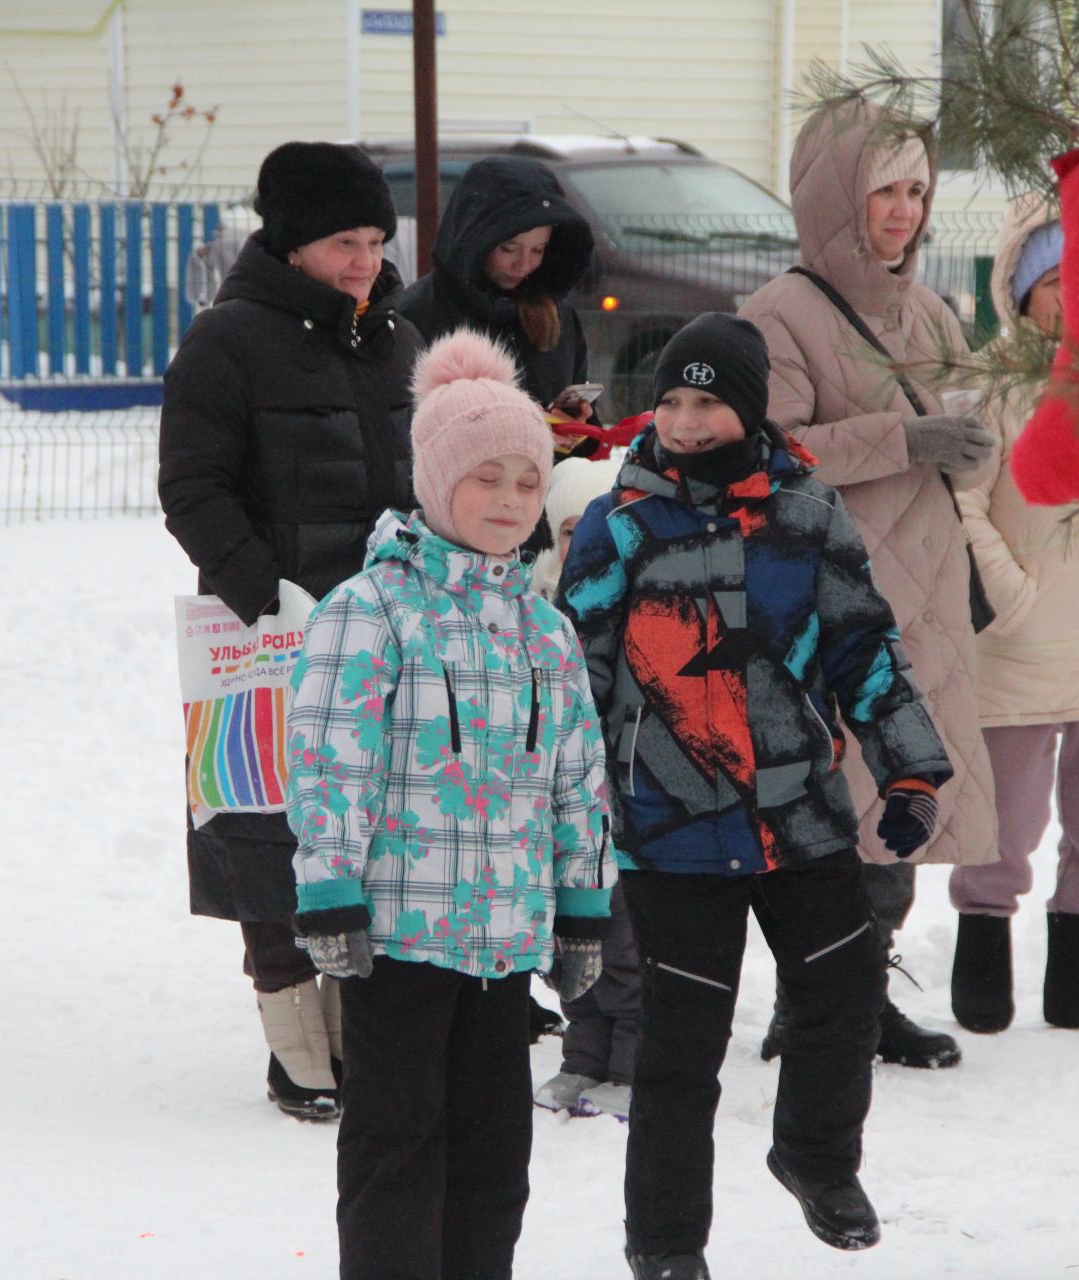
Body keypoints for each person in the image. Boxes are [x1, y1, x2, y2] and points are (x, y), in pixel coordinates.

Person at [559, 314, 952, 1279]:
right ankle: (664, 1243)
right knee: (680, 1050)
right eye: (674, 402)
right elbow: (574, 678)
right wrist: (574, 813)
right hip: (672, 825)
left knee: (844, 987)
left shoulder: (806, 513)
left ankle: (815, 1157)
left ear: (749, 406)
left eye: (709, 402)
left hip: (795, 811)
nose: (688, 423)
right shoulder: (619, 524)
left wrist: (908, 767)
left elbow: (864, 646)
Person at [286, 327, 615, 1280]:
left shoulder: (544, 629)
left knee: (493, 1164)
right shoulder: (370, 609)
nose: (512, 502)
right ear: (434, 484)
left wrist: (583, 905)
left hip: (505, 942)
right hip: (396, 939)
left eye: (528, 481)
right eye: (487, 480)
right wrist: (328, 890)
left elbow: (575, 778)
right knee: (397, 1154)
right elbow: (326, 760)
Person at [158, 141, 417, 1121]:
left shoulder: (394, 335)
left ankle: (355, 1024)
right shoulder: (226, 339)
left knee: (370, 824)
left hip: (382, 628)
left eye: (375, 239)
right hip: (262, 631)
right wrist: (268, 594)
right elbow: (191, 485)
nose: (363, 259)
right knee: (268, 827)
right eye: (343, 240)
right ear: (293, 242)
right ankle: (293, 1042)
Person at [739, 101, 999, 1071]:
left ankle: (868, 991)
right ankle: (812, 1001)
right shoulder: (778, 314)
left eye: (918, 190)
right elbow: (768, 454)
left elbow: (966, 436)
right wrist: (907, 437)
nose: (904, 210)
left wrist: (973, 444)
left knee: (901, 804)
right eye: (883, 188)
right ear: (833, 196)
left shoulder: (930, 310)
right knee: (828, 815)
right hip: (831, 601)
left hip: (923, 599)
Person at [949, 196, 1079, 1034]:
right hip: (1022, 640)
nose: (1074, 297)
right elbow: (960, 505)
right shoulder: (989, 386)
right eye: (1056, 280)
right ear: (1022, 290)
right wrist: (1009, 594)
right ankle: (981, 976)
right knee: (1006, 825)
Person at [530, 454, 641, 1118]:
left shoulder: (635, 602)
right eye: (569, 530)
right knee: (566, 942)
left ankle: (631, 1063)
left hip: (619, 808)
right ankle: (583, 1054)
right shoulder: (535, 604)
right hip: (550, 809)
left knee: (622, 945)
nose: (582, 544)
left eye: (595, 528)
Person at [397, 155, 599, 426]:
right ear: (474, 240)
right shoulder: (417, 315)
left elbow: (586, 429)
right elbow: (406, 432)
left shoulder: (558, 316)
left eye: (539, 249)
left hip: (547, 468)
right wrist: (522, 430)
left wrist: (578, 428)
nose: (524, 264)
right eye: (509, 248)